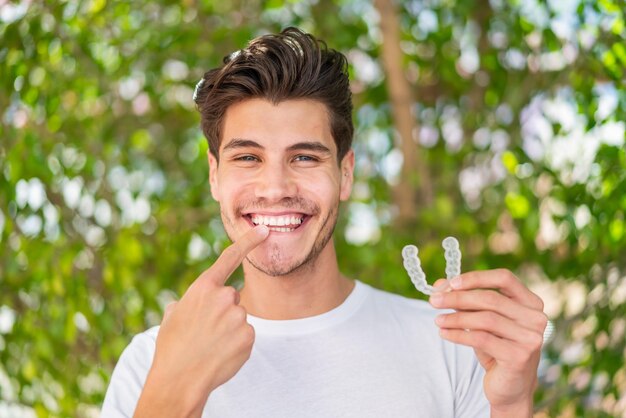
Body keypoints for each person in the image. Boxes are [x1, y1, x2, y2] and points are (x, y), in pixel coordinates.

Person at [101, 27, 547, 418]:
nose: (275, 187)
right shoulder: (150, 363)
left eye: (304, 157)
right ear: (215, 175)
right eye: (248, 157)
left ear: (345, 173)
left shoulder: (454, 348)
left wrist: (510, 408)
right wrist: (174, 393)